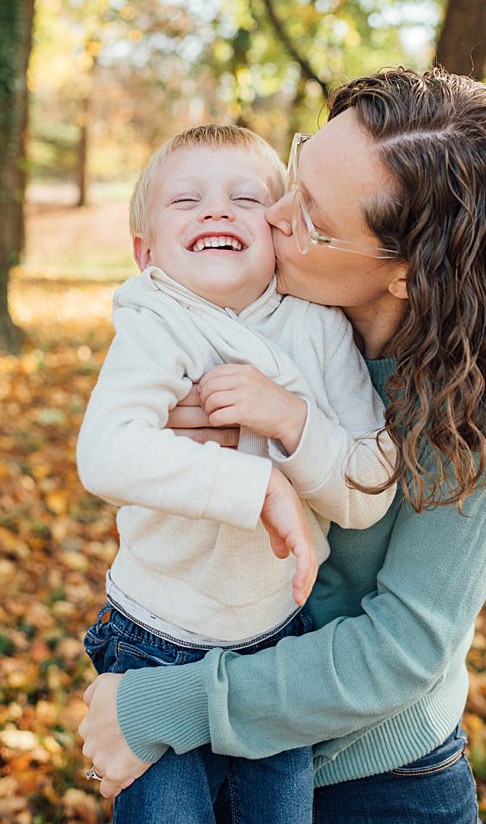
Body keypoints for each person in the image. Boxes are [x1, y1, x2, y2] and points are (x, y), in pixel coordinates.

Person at [80, 66, 486, 823]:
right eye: (292, 175)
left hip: (371, 771)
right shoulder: (259, 293)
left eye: (310, 216)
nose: (271, 215)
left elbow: (401, 650)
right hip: (203, 712)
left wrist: (162, 703)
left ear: (406, 276)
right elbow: (135, 445)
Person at [78, 123, 401, 823]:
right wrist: (257, 485)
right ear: (146, 252)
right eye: (186, 199)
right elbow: (105, 450)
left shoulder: (316, 326)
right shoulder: (155, 319)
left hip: (273, 644)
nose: (217, 211)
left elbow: (370, 486)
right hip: (153, 639)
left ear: (281, 229)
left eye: (245, 197)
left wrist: (291, 419)